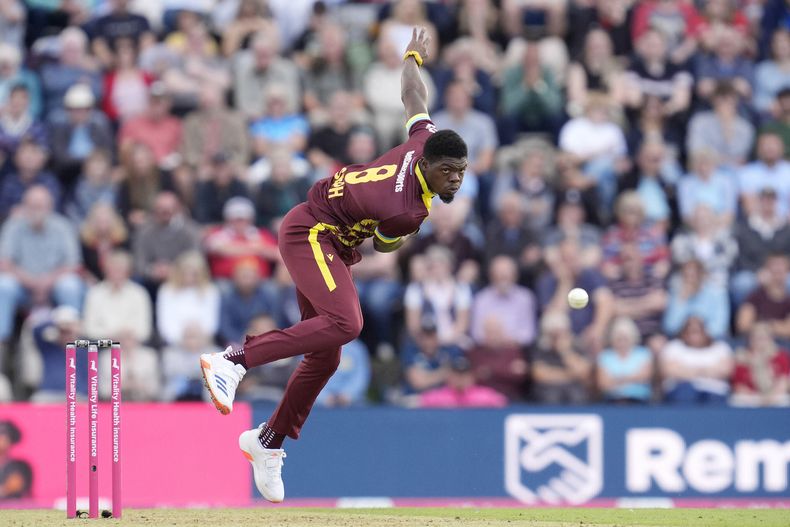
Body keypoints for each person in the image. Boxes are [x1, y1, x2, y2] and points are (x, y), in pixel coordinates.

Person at [198, 28, 467, 503]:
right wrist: (408, 232)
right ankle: (233, 360)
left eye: (462, 172)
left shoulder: (421, 140)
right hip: (312, 232)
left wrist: (411, 56)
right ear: (427, 165)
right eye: (448, 171)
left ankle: (267, 442)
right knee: (347, 323)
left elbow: (412, 93)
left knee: (327, 351)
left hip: (331, 240)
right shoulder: (409, 209)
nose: (456, 180)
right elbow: (383, 248)